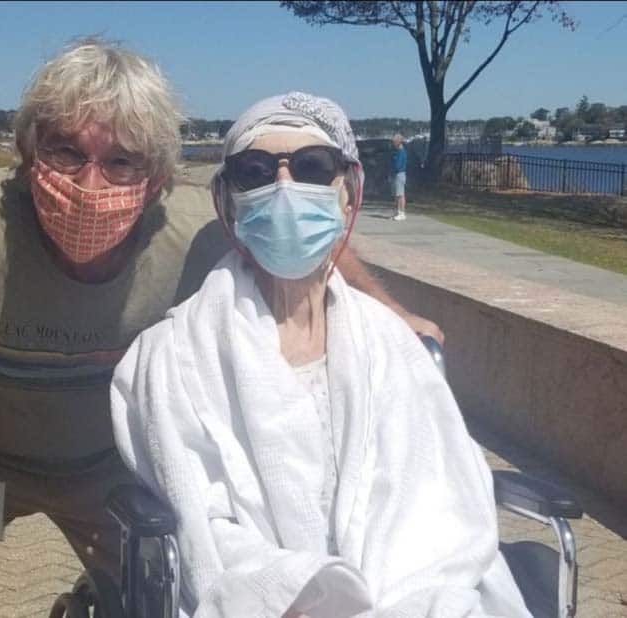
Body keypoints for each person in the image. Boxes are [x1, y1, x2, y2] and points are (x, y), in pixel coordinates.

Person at [0, 40, 441, 617]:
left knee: (168, 600)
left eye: (122, 161)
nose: (90, 187)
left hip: (108, 465)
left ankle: (86, 604)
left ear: (159, 178)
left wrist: (391, 313)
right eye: (66, 152)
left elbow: (293, 244)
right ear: (27, 151)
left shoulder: (195, 230)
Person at [111, 93, 528, 617]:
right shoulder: (172, 358)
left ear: (347, 195)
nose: (284, 186)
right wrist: (297, 593)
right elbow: (203, 523)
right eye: (255, 171)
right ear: (228, 202)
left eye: (312, 167)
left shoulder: (392, 347)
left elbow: (442, 508)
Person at [391, 133, 407, 221]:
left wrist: (394, 169)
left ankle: (402, 212)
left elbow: (398, 165)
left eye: (394, 141)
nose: (393, 143)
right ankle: (398, 211)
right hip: (396, 174)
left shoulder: (401, 152)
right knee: (397, 194)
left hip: (400, 174)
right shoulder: (398, 151)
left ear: (399, 142)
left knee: (400, 194)